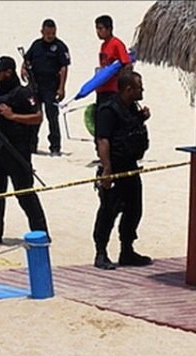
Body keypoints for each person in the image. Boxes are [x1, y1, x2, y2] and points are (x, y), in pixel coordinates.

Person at [0, 56, 49, 245]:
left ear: (8, 72)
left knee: (24, 194)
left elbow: (38, 117)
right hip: (0, 150)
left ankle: (41, 233)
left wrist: (12, 115)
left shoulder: (22, 93)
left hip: (18, 150)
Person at [92, 70, 152, 270]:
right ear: (128, 89)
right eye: (139, 87)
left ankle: (127, 250)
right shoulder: (108, 110)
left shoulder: (131, 107)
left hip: (131, 167)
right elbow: (103, 139)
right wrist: (107, 169)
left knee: (134, 209)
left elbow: (129, 129)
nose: (142, 91)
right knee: (109, 211)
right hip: (114, 168)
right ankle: (101, 253)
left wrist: (142, 117)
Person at [22, 19, 70, 156]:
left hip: (51, 87)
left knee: (52, 117)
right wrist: (23, 69)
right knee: (33, 116)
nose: (50, 36)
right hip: (35, 86)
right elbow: (27, 59)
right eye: (48, 33)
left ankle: (55, 147)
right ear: (42, 32)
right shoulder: (36, 45)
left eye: (53, 33)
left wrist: (61, 88)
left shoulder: (60, 47)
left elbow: (64, 68)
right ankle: (31, 145)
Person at [94, 15, 131, 107]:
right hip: (102, 87)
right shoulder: (103, 46)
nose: (98, 32)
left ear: (109, 29)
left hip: (113, 89)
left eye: (100, 28)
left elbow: (127, 64)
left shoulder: (117, 44)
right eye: (97, 29)